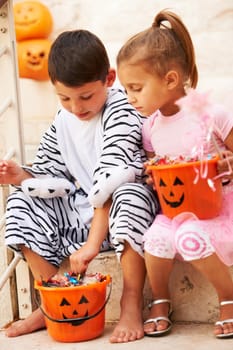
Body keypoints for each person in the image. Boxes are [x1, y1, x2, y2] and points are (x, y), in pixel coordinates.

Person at [0, 29, 159, 343]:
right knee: (21, 201)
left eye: (86, 96)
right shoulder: (65, 120)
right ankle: (56, 299)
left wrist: (90, 245)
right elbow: (51, 174)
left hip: (125, 214)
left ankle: (130, 302)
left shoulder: (122, 111)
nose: (76, 107)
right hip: (85, 215)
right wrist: (21, 177)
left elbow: (112, 178)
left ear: (109, 79)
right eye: (65, 98)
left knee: (128, 193)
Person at [116, 9, 233, 339]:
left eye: (136, 88)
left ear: (169, 79)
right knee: (155, 238)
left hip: (217, 207)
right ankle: (161, 300)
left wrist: (225, 163)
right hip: (176, 209)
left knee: (189, 238)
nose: (130, 98)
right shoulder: (151, 126)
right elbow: (159, 167)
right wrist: (154, 176)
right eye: (126, 90)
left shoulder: (211, 114)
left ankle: (229, 298)